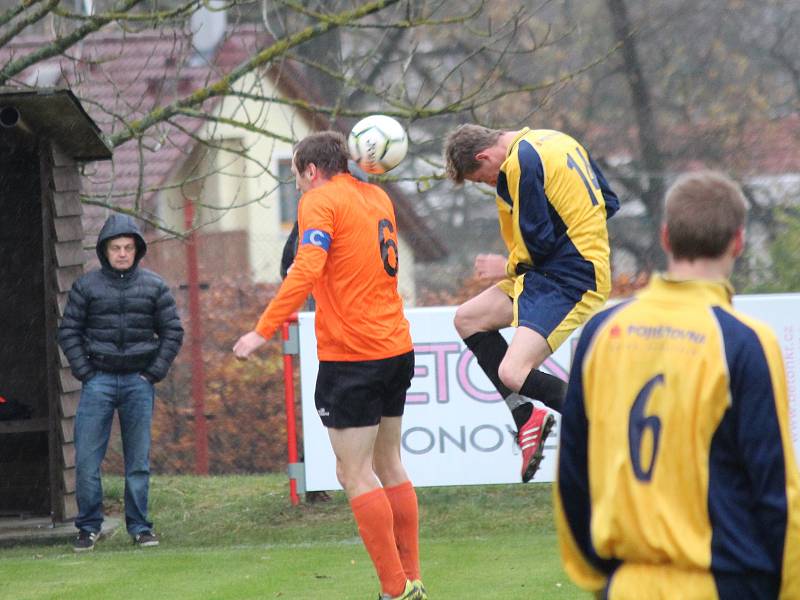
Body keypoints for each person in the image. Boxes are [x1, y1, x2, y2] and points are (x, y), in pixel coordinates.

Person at [555, 171, 800, 598]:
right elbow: (775, 488)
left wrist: (600, 579)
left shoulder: (601, 331)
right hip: (721, 582)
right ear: (738, 243)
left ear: (665, 238)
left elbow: (573, 470)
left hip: (628, 583)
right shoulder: (743, 341)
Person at [233, 131, 426, 600]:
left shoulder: (319, 202)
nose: (296, 185)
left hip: (354, 354)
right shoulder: (376, 195)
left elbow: (306, 267)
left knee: (353, 473)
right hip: (395, 345)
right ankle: (412, 578)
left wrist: (264, 328)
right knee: (389, 464)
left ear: (311, 171)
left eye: (295, 174)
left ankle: (394, 590)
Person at [443, 124, 619, 482]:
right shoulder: (557, 139)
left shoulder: (521, 160)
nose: (490, 184)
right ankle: (527, 418)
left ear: (484, 157)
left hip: (572, 277)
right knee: (468, 319)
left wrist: (503, 266)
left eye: (482, 179)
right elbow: (609, 202)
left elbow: (536, 243)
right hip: (550, 273)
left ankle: (612, 430)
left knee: (512, 371)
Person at [58, 214, 184, 552]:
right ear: (104, 250)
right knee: (86, 460)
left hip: (138, 382)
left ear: (138, 250)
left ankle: (141, 528)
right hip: (97, 380)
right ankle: (88, 528)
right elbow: (68, 331)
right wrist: (86, 372)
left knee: (138, 462)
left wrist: (152, 373)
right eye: (116, 247)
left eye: (129, 247)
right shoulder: (86, 286)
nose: (123, 253)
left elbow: (173, 331)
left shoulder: (155, 286)